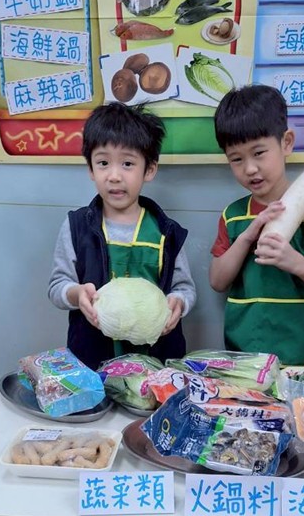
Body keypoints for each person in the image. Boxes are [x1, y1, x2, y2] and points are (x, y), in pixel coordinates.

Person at [48, 102, 195, 369]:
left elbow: (184, 288)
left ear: (149, 169)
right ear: (91, 169)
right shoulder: (76, 227)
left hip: (155, 365)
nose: (114, 176)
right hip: (92, 362)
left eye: (127, 163)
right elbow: (57, 286)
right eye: (103, 163)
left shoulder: (167, 233)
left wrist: (179, 303)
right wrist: (76, 294)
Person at [209, 84, 304, 365]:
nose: (250, 168)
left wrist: (294, 262)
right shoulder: (233, 216)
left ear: (286, 143)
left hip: (302, 356)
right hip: (244, 356)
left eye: (259, 153)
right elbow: (217, 281)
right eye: (237, 159)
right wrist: (247, 237)